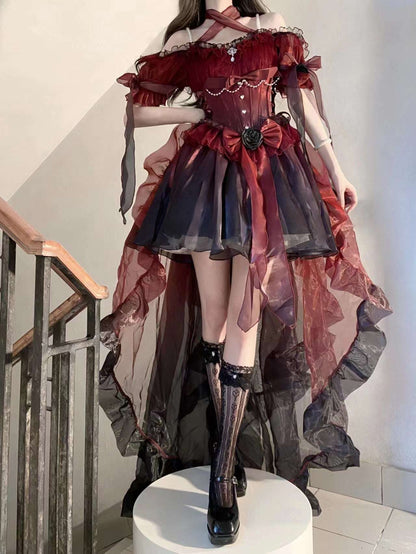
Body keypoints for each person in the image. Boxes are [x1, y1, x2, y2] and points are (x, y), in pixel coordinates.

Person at [99, 0, 393, 546]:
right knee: (213, 319)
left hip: (267, 178)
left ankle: (222, 477)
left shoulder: (270, 28)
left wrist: (337, 170)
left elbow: (302, 105)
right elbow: (137, 112)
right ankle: (225, 450)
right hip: (206, 183)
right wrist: (194, 116)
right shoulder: (185, 38)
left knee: (245, 316)